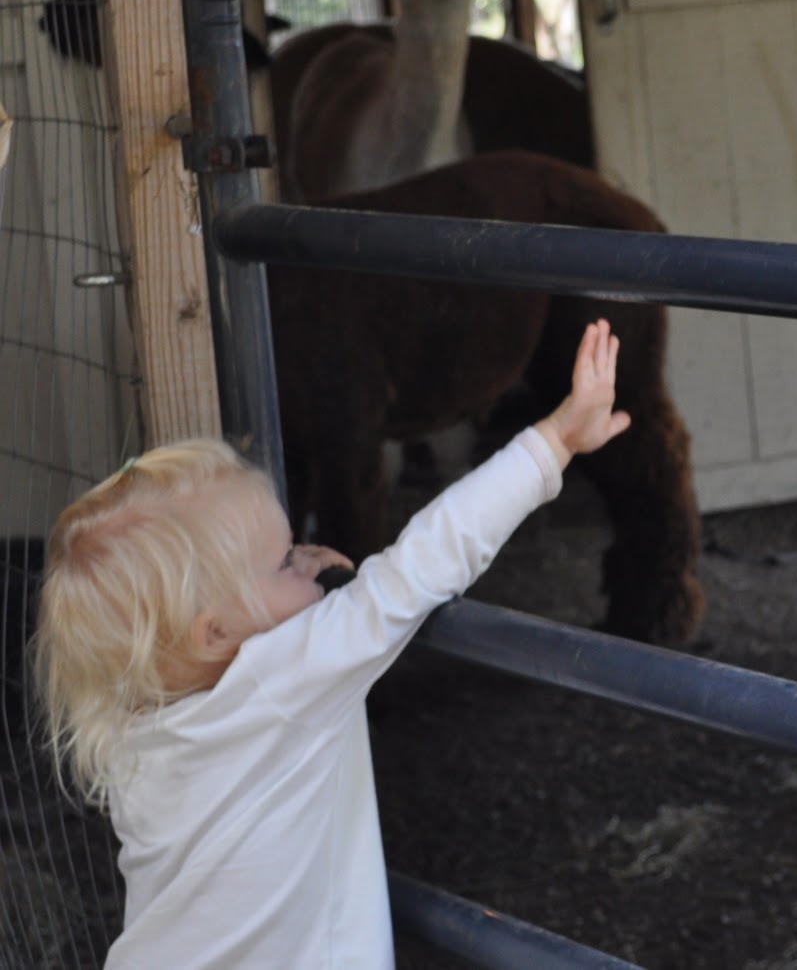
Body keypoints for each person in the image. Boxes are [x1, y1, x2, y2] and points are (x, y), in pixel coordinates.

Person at [33, 319, 631, 969]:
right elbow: (419, 568)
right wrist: (555, 441)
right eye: (286, 560)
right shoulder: (287, 677)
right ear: (218, 632)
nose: (309, 561)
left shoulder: (133, 717)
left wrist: (286, 577)